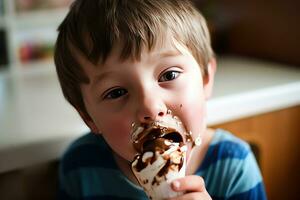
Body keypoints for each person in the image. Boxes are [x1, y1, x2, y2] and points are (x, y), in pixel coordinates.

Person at [54, 0, 267, 199]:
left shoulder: (233, 166)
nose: (151, 106)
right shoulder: (80, 167)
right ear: (88, 117)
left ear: (205, 80)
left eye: (169, 75)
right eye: (116, 92)